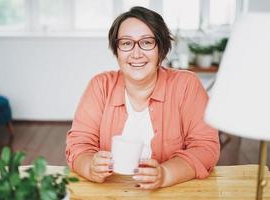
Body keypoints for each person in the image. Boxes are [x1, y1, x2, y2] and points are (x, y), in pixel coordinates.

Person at [66, 6, 220, 189]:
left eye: (146, 42)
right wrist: (89, 165)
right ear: (117, 50)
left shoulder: (186, 85)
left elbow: (205, 148)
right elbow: (78, 145)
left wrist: (166, 174)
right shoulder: (100, 86)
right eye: (126, 43)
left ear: (161, 49)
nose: (136, 53)